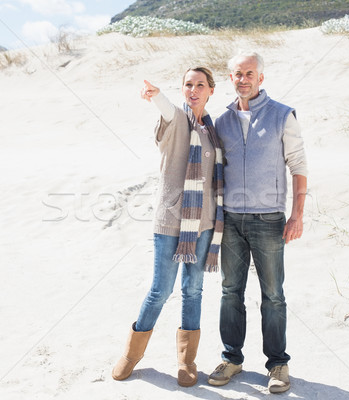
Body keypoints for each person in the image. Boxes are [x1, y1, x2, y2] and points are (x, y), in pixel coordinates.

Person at [112, 67, 224, 387]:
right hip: (170, 220)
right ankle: (131, 355)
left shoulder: (212, 131)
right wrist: (156, 95)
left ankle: (187, 361)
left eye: (200, 85)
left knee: (193, 289)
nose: (193, 89)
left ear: (210, 91)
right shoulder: (178, 121)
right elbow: (168, 109)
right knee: (161, 289)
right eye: (188, 84)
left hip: (202, 224)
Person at [207, 52, 308, 394]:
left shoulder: (282, 115)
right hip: (232, 222)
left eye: (250, 73)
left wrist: (297, 215)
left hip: (268, 221)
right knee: (230, 292)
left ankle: (278, 364)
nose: (243, 79)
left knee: (273, 295)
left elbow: (298, 165)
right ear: (231, 78)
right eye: (237, 74)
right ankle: (231, 359)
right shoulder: (222, 121)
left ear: (261, 78)